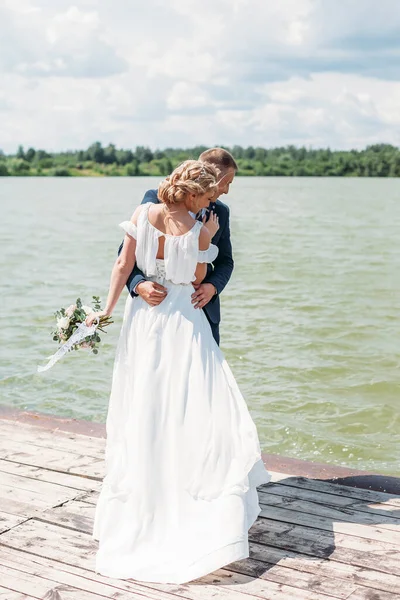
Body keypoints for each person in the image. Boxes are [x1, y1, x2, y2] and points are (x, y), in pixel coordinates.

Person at [87, 160, 270, 584]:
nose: (218, 198)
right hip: (183, 322)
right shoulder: (198, 225)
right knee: (198, 406)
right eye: (213, 191)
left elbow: (124, 266)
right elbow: (193, 271)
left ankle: (168, 485)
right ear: (195, 191)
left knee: (155, 402)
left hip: (144, 326)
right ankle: (188, 494)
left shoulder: (141, 215)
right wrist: (190, 254)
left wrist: (107, 311)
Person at [123, 148, 237, 345]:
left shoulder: (221, 211)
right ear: (212, 175)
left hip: (201, 310)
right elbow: (125, 254)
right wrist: (138, 284)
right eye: (226, 183)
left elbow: (225, 261)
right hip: (155, 308)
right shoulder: (155, 199)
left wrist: (213, 287)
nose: (226, 190)